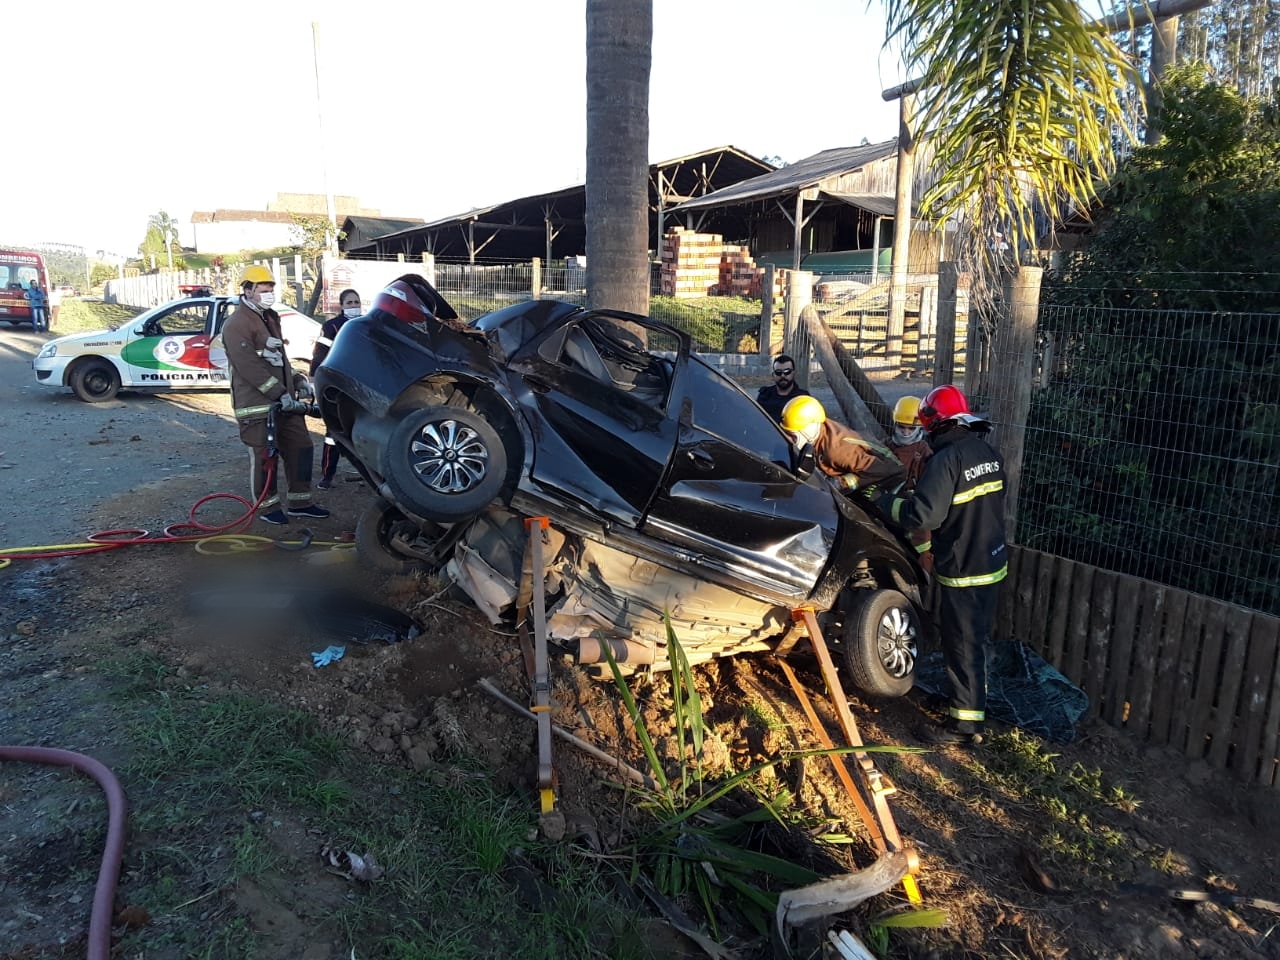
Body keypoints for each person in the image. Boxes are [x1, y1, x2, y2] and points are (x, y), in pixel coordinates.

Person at [877, 384, 1007, 747]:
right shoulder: (987, 452)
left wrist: (886, 503)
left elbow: (924, 513)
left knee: (961, 642)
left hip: (965, 568)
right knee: (975, 639)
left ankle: (964, 727)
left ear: (934, 424)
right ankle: (967, 704)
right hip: (992, 561)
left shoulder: (946, 460)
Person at [220, 265, 330, 525]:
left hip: (284, 402)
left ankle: (300, 503)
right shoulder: (236, 323)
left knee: (300, 447)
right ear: (247, 290)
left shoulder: (269, 317)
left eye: (271, 289)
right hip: (256, 406)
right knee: (264, 458)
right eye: (263, 289)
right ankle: (268, 508)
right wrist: (279, 392)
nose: (269, 293)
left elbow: (279, 359)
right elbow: (248, 365)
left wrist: (296, 381)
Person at [780, 395, 905, 494]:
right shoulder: (821, 430)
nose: (789, 440)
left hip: (891, 478)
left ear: (808, 430)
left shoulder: (836, 450)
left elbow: (881, 469)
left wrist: (839, 483)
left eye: (792, 435)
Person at [310, 288, 363, 489]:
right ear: (341, 306)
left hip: (361, 386)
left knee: (362, 430)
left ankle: (370, 475)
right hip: (337, 386)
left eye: (356, 302)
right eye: (349, 303)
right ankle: (327, 475)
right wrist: (314, 376)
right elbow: (319, 353)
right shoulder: (331, 326)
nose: (354, 306)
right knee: (333, 433)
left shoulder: (364, 325)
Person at [887, 395, 935, 570]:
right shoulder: (886, 447)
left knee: (921, 556)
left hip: (914, 516)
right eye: (901, 427)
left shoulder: (924, 452)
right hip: (888, 511)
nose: (905, 433)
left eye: (911, 428)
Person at [756, 354, 810, 423]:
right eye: (778, 372)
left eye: (787, 372)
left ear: (794, 373)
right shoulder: (765, 395)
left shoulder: (803, 398)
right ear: (773, 375)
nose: (783, 375)